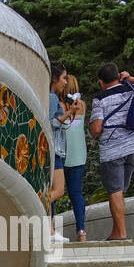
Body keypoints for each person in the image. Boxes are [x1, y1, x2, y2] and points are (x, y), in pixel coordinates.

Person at [90, 62, 134, 240]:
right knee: (120, 190)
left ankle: (120, 233)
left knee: (115, 191)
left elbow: (96, 129)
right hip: (133, 147)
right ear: (118, 77)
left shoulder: (99, 100)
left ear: (101, 82)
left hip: (112, 151)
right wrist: (130, 78)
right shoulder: (132, 90)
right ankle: (118, 230)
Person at [61, 75, 89, 241]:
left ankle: (51, 226)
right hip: (79, 154)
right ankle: (81, 230)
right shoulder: (82, 105)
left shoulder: (61, 105)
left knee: (56, 191)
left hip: (63, 152)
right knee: (76, 193)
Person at [47, 63, 70, 242]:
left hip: (54, 149)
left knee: (54, 190)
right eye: (63, 77)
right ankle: (38, 210)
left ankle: (50, 231)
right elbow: (51, 123)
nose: (65, 82)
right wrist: (69, 113)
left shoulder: (51, 97)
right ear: (54, 78)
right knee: (58, 190)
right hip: (55, 149)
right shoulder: (52, 97)